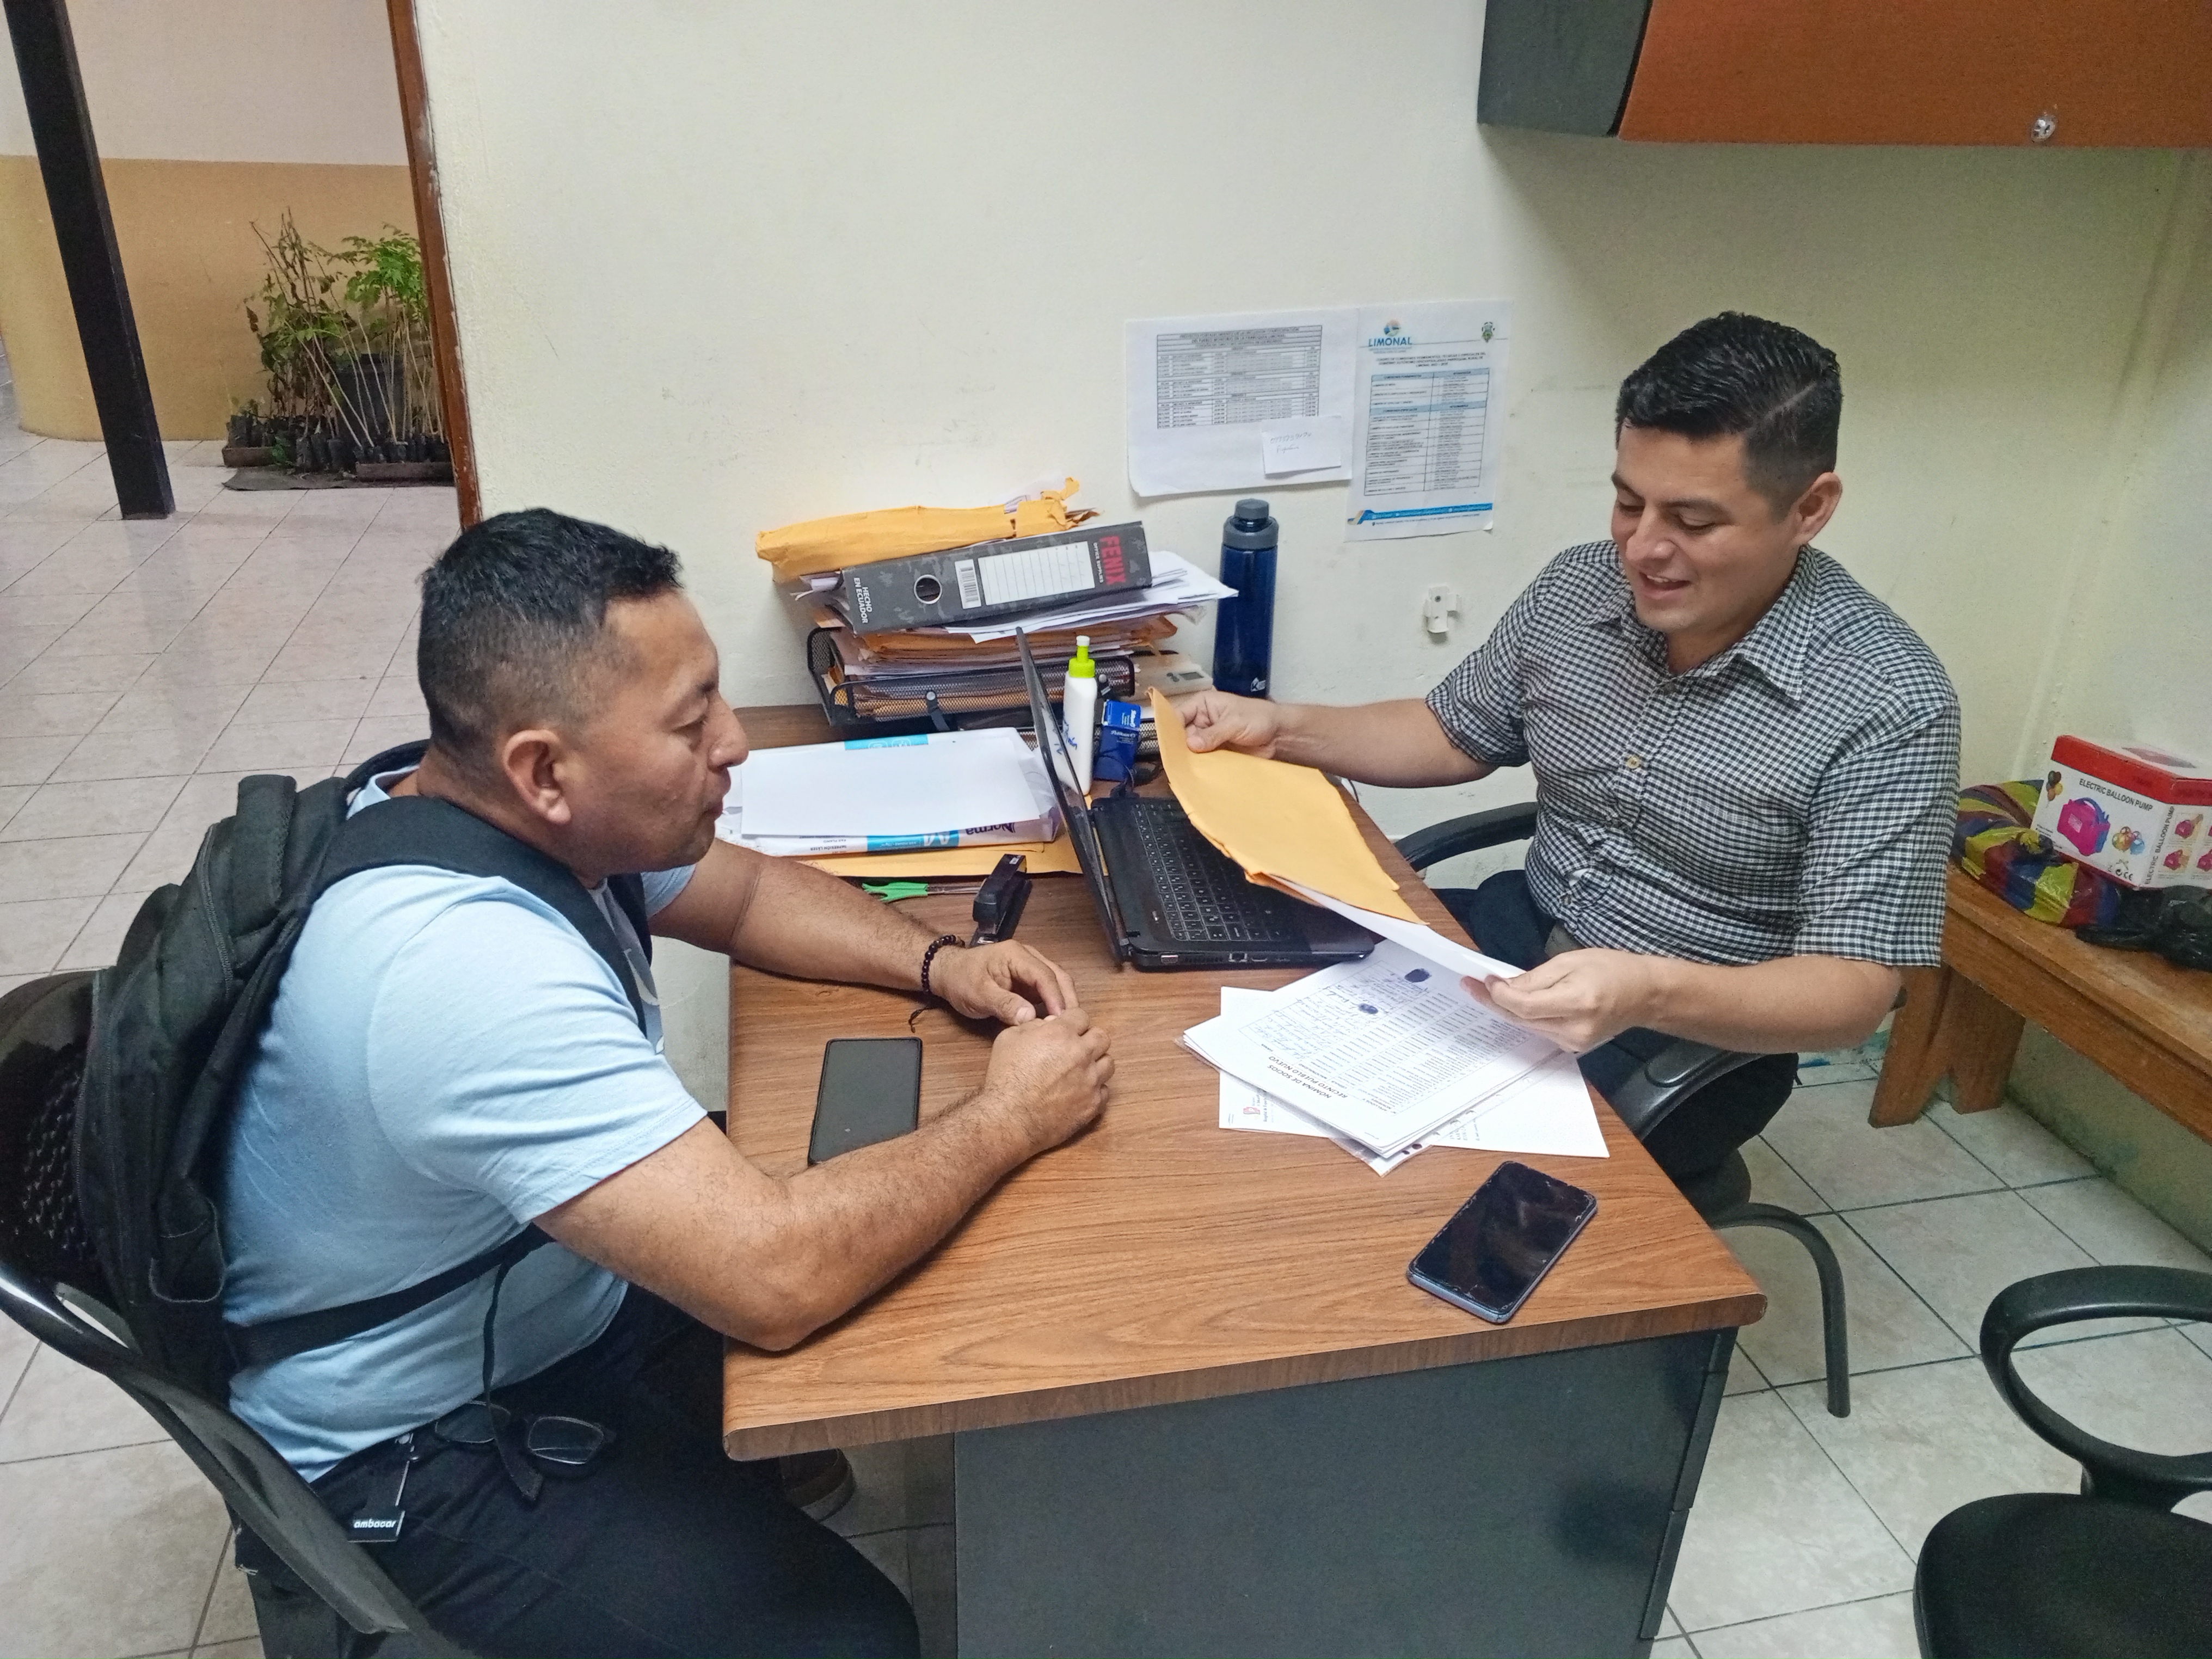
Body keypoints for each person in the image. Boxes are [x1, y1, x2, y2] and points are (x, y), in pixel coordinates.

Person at [219, 508, 1114, 1658]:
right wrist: (1008, 1116)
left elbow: (743, 892)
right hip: (406, 1441)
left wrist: (940, 961)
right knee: (851, 1638)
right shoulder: (463, 969)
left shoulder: (482, 813)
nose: (733, 744)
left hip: (536, 1292)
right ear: (544, 769)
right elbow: (774, 1279)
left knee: (867, 1280)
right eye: (692, 724)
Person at [1179, 312, 1959, 1182]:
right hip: (1505, 941)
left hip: (1680, 1036)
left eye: (1693, 521)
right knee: (1231, 1042)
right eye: (1629, 502)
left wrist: (1647, 988)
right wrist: (1285, 727)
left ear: (1809, 508)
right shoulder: (1578, 586)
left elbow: (1854, 992)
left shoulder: (1889, 702)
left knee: (1406, 1196)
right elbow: (1451, 730)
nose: (1644, 548)